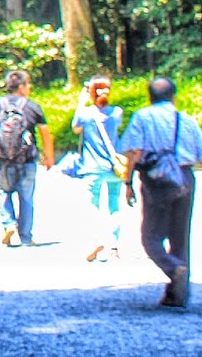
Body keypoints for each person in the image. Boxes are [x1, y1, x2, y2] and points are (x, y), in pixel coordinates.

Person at [120, 76, 202, 308]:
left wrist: (127, 182)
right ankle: (178, 295)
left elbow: (135, 152)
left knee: (150, 236)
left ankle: (172, 267)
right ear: (173, 96)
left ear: (150, 97)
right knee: (180, 237)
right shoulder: (186, 120)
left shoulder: (142, 118)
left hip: (156, 180)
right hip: (185, 179)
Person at [0, 69, 54, 248]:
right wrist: (49, 156)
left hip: (4, 159)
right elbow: (45, 133)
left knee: (2, 191)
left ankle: (9, 223)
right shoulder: (32, 106)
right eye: (27, 84)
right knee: (26, 196)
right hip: (27, 159)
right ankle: (26, 237)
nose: (29, 87)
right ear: (21, 87)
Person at [71, 74, 125, 263]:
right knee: (114, 206)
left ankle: (96, 239)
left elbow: (76, 128)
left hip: (93, 168)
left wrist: (81, 102)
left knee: (92, 206)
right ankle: (114, 246)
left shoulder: (85, 114)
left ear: (91, 93)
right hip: (114, 168)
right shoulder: (117, 113)